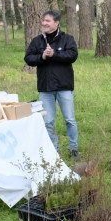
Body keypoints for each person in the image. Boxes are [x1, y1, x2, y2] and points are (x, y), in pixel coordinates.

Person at [24, 10, 80, 161]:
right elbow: (28, 58)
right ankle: (53, 150)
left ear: (57, 23)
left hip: (64, 86)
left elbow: (73, 55)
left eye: (48, 21)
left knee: (69, 119)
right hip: (45, 87)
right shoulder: (37, 41)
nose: (44, 23)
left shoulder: (67, 39)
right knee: (48, 121)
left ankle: (73, 148)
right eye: (43, 21)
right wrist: (42, 56)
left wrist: (54, 54)